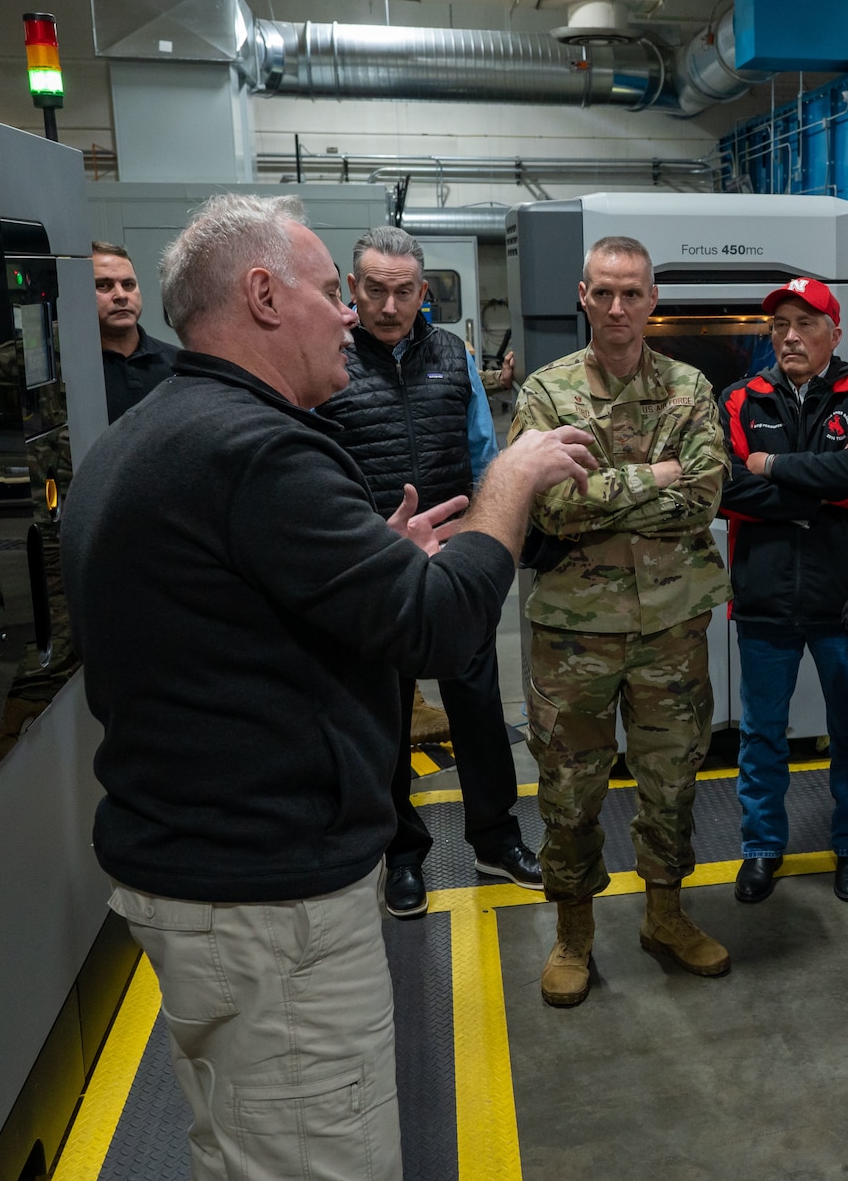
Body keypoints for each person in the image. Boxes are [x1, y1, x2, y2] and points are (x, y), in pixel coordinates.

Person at [62, 193, 596, 1181]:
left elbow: (232, 617)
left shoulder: (160, 431)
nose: (350, 313)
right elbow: (440, 621)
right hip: (273, 907)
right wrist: (512, 482)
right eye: (327, 291)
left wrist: (369, 564)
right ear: (262, 295)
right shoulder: (256, 449)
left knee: (245, 1148)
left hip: (206, 876)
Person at [510, 234, 734, 1009]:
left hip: (672, 627)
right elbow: (548, 503)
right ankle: (573, 932)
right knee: (571, 786)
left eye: (631, 292)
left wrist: (607, 485)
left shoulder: (690, 387)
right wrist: (654, 474)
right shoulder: (545, 393)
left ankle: (665, 916)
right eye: (603, 292)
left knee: (671, 779)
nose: (616, 307)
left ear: (652, 302)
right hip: (574, 630)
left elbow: (705, 493)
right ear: (582, 295)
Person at [316, 225, 541, 913]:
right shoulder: (329, 360)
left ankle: (495, 837)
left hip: (452, 560)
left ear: (423, 292)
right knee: (386, 714)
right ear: (353, 289)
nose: (389, 304)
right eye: (375, 290)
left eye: (404, 291)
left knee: (477, 703)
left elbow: (482, 454)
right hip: (373, 565)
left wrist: (487, 541)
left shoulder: (453, 355)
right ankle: (402, 855)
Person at [719, 276, 848, 905]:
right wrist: (813, 495)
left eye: (806, 324)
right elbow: (724, 487)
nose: (790, 336)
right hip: (765, 598)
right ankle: (761, 848)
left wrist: (771, 470)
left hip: (843, 601)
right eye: (780, 325)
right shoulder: (741, 398)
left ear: (835, 333)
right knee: (762, 734)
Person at [94, 240, 177, 423]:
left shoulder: (178, 364)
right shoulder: (75, 370)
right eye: (103, 285)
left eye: (128, 284)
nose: (121, 296)